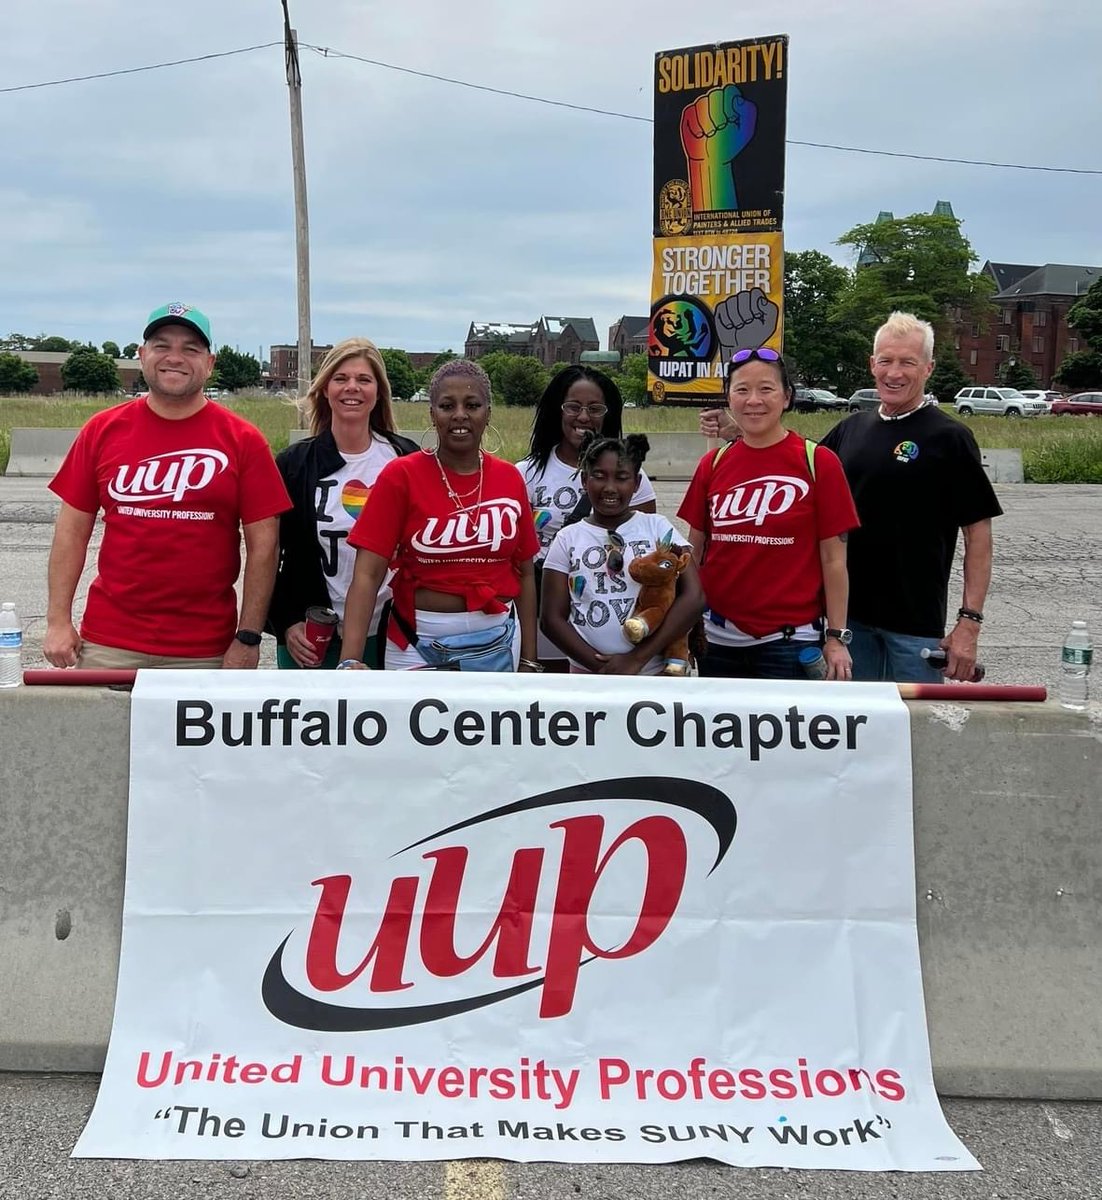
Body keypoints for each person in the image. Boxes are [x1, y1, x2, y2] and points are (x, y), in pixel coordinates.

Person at [43, 302, 290, 670]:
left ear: (210, 363)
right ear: (142, 356)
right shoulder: (101, 430)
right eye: (162, 345)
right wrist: (58, 621)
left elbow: (265, 547)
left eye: (190, 349)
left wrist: (248, 636)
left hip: (206, 651)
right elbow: (70, 533)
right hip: (110, 643)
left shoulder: (243, 441)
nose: (175, 357)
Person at [817, 312, 1002, 683]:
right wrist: (738, 432)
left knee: (915, 733)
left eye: (907, 362)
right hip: (849, 624)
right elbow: (792, 468)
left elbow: (978, 535)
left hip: (914, 629)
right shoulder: (850, 430)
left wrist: (970, 624)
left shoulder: (950, 438)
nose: (894, 373)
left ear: (928, 368)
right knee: (858, 734)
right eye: (885, 361)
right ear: (872, 364)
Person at [337, 359, 541, 671]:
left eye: (472, 404)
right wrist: (350, 659)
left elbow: (525, 572)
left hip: (498, 641)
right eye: (447, 405)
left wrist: (529, 658)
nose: (460, 414)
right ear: (432, 414)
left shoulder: (510, 478)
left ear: (488, 412)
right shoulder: (400, 476)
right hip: (415, 643)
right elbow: (367, 574)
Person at [679, 348, 859, 679]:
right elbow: (695, 551)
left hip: (788, 644)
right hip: (717, 642)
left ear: (787, 397)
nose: (753, 400)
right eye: (742, 389)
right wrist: (684, 624)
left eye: (766, 389)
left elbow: (834, 560)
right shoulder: (713, 464)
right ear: (728, 397)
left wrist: (836, 638)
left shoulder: (818, 462)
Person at [268, 338, 417, 669]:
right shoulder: (295, 464)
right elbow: (270, 553)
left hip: (390, 634)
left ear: (379, 391)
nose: (352, 388)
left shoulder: (405, 458)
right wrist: (286, 620)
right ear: (324, 389)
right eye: (341, 379)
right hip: (311, 637)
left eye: (364, 380)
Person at [517, 366, 657, 665]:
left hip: (610, 627)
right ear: (558, 410)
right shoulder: (526, 473)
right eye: (573, 407)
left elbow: (646, 558)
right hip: (544, 620)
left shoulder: (635, 478)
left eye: (595, 408)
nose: (583, 417)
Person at [541, 433, 703, 674]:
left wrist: (637, 659)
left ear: (636, 484)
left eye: (621, 478)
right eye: (599, 476)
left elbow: (694, 596)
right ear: (585, 480)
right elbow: (551, 619)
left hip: (655, 674)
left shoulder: (656, 527)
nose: (610, 487)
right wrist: (601, 668)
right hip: (588, 678)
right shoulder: (567, 538)